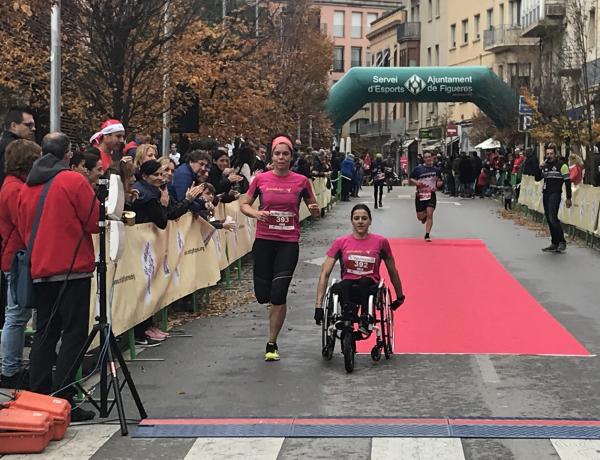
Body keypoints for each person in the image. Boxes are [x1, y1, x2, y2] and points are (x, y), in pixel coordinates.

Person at [17, 132, 100, 421]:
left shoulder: (28, 185)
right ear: (67, 155)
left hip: (40, 267)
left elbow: (21, 225)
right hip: (72, 268)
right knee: (73, 334)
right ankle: (64, 396)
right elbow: (92, 221)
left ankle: (38, 397)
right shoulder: (73, 180)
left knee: (45, 332)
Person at [239, 134, 320, 361]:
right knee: (263, 295)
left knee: (279, 293)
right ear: (271, 156)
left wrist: (315, 210)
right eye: (277, 153)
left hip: (288, 242)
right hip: (264, 241)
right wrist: (256, 213)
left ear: (291, 157)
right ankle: (269, 316)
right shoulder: (260, 179)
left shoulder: (302, 181)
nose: (281, 157)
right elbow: (244, 204)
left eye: (286, 154)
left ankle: (271, 343)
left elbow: (314, 207)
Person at [314, 204, 405, 335]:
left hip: (370, 285)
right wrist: (318, 306)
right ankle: (346, 315)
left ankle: (365, 318)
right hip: (348, 285)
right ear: (352, 221)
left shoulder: (380, 242)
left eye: (364, 218)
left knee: (364, 281)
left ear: (370, 221)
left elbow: (392, 270)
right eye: (356, 218)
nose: (360, 221)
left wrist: (400, 296)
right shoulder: (341, 242)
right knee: (344, 283)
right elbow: (325, 272)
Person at [0, 140, 42, 389]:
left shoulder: (12, 185)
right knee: (16, 314)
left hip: (15, 254)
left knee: (17, 313)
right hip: (17, 256)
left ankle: (11, 365)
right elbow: (24, 223)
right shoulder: (15, 189)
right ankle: (9, 369)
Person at [535, 144, 572, 253]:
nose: (549, 156)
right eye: (547, 154)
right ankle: (554, 242)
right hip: (546, 193)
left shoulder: (562, 166)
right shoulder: (545, 165)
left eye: (551, 154)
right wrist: (539, 168)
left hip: (555, 194)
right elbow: (537, 179)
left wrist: (569, 198)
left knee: (552, 217)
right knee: (549, 218)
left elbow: (568, 182)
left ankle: (562, 241)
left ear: (555, 154)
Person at [410, 152, 443, 242]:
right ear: (424, 159)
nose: (428, 159)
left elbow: (440, 181)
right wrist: (416, 182)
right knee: (420, 217)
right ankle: (423, 217)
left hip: (431, 194)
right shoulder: (418, 169)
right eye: (426, 157)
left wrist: (439, 184)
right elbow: (411, 177)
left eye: (429, 157)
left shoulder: (436, 170)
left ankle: (427, 235)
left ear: (432, 158)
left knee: (430, 214)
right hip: (420, 194)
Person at [0, 107, 36, 186]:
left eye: (33, 125)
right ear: (14, 125)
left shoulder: (4, 143)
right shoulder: (17, 148)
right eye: (29, 125)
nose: (33, 128)